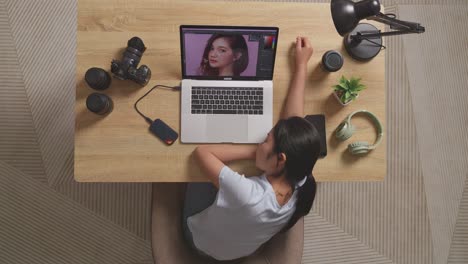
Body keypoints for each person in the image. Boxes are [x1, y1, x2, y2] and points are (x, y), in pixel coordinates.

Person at [183, 36, 320, 261]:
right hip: (242, 247)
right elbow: (293, 121)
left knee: (189, 171)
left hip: (200, 241)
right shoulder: (300, 177)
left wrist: (251, 152)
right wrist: (301, 66)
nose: (260, 142)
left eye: (265, 140)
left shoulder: (248, 195)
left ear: (281, 159)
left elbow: (202, 152)